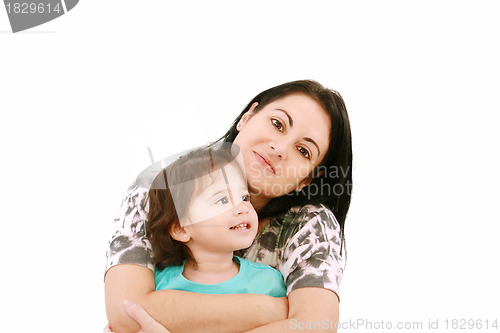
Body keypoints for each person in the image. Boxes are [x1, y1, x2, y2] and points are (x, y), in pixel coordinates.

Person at [105, 80, 352, 333]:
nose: (279, 149)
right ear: (247, 117)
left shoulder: (310, 226)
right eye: (277, 124)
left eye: (303, 150)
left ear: (307, 179)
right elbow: (127, 313)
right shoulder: (161, 190)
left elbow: (316, 326)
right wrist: (277, 310)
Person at [148, 144, 286, 297]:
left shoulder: (268, 283)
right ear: (181, 229)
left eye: (244, 197)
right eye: (223, 200)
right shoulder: (159, 285)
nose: (243, 208)